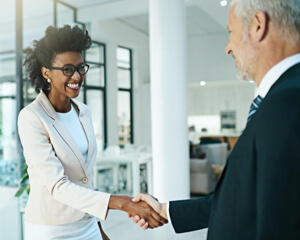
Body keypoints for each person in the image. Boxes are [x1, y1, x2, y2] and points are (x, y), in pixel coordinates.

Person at [130, 0, 300, 239]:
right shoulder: (280, 99)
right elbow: (243, 198)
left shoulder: (287, 104)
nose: (227, 48)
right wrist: (165, 210)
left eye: (231, 32)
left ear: (258, 26)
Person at [18, 25, 167, 240]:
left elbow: (84, 179)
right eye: (67, 69)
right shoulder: (32, 117)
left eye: (81, 67)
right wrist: (124, 203)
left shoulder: (84, 112)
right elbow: (59, 186)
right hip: (51, 230)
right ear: (46, 72)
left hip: (87, 224)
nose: (77, 76)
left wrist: (97, 227)